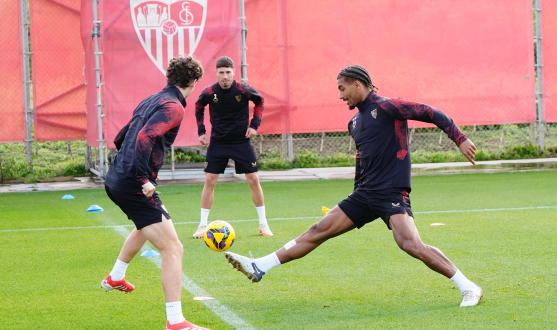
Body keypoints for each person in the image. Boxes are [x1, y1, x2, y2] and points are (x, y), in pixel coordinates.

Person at [224, 65, 483, 308]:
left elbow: (430, 112)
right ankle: (259, 266)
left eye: (342, 88)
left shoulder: (388, 107)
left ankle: (469, 286)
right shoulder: (354, 123)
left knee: (411, 244)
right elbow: (362, 158)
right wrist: (357, 189)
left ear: (358, 85)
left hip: (390, 191)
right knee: (318, 230)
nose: (340, 95)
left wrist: (459, 138)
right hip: (364, 194)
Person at [100, 55, 210, 330]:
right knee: (173, 248)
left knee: (150, 223)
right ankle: (175, 322)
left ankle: (115, 277)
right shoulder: (174, 107)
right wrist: (141, 178)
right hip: (131, 182)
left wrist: (130, 167)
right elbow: (144, 137)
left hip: (116, 176)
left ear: (170, 78)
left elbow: (121, 136)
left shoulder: (151, 99)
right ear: (194, 82)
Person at [192, 56, 273, 238]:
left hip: (241, 142)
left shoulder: (243, 89)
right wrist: (201, 131)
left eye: (228, 72)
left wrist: (254, 125)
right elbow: (198, 106)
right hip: (218, 142)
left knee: (253, 179)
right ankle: (202, 225)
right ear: (216, 74)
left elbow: (259, 101)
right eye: (221, 73)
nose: (225, 76)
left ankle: (263, 224)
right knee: (209, 181)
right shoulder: (210, 91)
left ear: (234, 73)